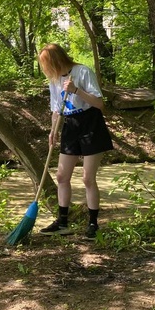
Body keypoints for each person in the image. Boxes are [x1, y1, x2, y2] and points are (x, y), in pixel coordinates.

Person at [37, 43, 113, 239]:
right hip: (70, 126)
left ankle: (93, 224)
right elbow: (56, 109)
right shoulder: (53, 80)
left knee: (88, 178)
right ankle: (63, 222)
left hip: (91, 124)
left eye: (47, 64)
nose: (46, 69)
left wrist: (76, 90)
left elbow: (99, 104)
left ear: (56, 61)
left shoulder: (83, 72)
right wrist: (53, 131)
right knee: (62, 176)